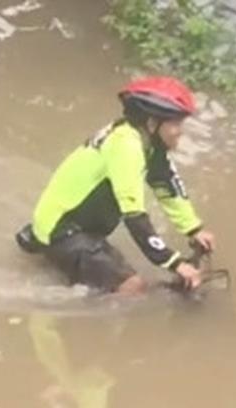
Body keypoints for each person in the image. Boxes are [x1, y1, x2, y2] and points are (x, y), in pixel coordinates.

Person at [16, 76, 218, 295]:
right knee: (133, 288)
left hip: (74, 223)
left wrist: (193, 229)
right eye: (176, 124)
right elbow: (135, 217)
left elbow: (167, 186)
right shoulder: (127, 147)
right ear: (152, 123)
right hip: (63, 230)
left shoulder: (148, 143)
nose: (180, 131)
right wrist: (174, 262)